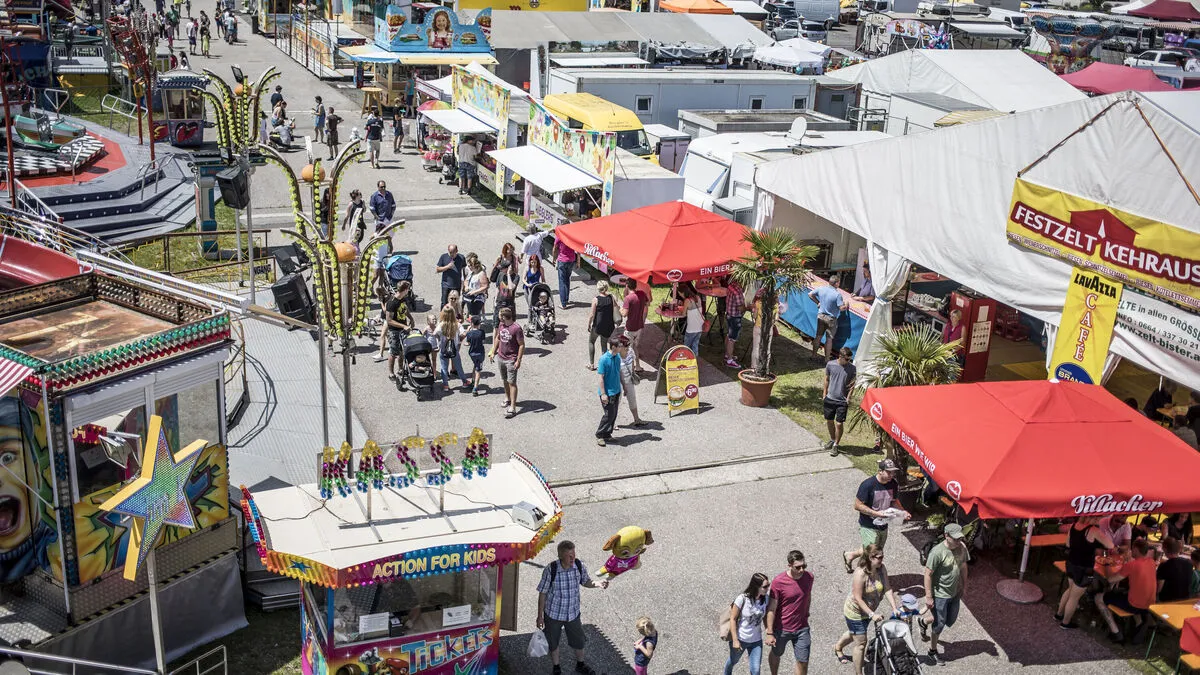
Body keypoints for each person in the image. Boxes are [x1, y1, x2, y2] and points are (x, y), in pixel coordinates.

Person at [535, 540, 608, 675]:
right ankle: (556, 668)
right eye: (569, 556)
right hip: (553, 614)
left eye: (574, 554)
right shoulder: (551, 570)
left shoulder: (578, 565)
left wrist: (598, 584)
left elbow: (586, 581)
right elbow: (543, 593)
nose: (573, 558)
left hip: (573, 614)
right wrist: (540, 616)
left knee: (579, 640)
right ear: (561, 556)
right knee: (553, 642)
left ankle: (580, 665)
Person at [834, 544, 899, 674]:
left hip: (868, 612)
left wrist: (894, 608)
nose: (881, 560)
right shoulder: (860, 573)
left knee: (856, 633)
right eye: (879, 557)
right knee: (861, 643)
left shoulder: (881, 568)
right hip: (855, 612)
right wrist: (872, 614)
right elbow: (858, 598)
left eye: (882, 556)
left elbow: (887, 588)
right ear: (870, 557)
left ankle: (837, 647)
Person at [844, 459, 908, 571]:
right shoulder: (867, 485)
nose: (891, 475)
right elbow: (857, 505)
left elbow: (894, 500)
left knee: (874, 548)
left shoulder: (893, 484)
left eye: (893, 472)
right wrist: (877, 514)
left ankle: (850, 555)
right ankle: (865, 577)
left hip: (884, 524)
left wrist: (903, 512)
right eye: (889, 472)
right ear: (880, 471)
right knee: (873, 554)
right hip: (868, 525)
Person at [919, 524, 969, 665]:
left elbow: (964, 566)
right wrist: (929, 596)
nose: (959, 541)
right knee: (940, 624)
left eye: (960, 538)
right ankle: (932, 652)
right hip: (940, 594)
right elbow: (928, 574)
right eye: (956, 538)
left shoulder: (962, 547)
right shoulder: (937, 552)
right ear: (947, 535)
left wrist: (965, 586)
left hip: (955, 592)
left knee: (949, 620)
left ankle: (923, 621)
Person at [1055, 517, 1114, 629]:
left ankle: (1059, 614)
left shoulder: (1073, 525)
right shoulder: (1093, 530)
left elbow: (1068, 544)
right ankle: (1065, 623)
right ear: (1093, 517)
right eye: (1099, 517)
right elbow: (1110, 545)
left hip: (1071, 563)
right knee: (1074, 597)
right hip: (1084, 568)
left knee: (1070, 589)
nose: (1101, 519)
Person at [1095, 538, 1156, 643]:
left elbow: (1110, 579)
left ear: (1136, 549)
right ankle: (1139, 622)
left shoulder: (1132, 565)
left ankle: (1116, 632)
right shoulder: (1151, 562)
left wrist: (1107, 563)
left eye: (1132, 549)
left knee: (1098, 598)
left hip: (1134, 604)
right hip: (1150, 603)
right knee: (1123, 592)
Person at [765, 550, 814, 675]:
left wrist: (806, 613)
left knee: (803, 660)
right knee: (777, 653)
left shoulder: (809, 577)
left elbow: (807, 596)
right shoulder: (779, 582)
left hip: (802, 628)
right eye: (798, 567)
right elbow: (771, 608)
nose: (802, 570)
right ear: (790, 566)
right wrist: (769, 632)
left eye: (804, 566)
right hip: (782, 629)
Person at [725, 572, 770, 675]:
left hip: (756, 641)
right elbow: (733, 619)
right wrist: (735, 640)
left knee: (756, 670)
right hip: (741, 639)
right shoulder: (742, 599)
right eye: (765, 586)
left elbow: (765, 616)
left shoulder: (766, 599)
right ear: (756, 586)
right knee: (733, 661)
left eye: (768, 585)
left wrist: (768, 630)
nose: (768, 588)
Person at [489, 308, 524, 419]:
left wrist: (518, 360)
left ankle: (513, 407)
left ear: (504, 317)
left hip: (511, 359)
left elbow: (522, 345)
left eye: (500, 315)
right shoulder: (501, 325)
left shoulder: (516, 328)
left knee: (512, 382)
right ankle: (507, 398)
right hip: (501, 357)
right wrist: (493, 351)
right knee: (504, 380)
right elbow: (498, 338)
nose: (498, 317)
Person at [823, 347, 856, 457]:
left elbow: (852, 384)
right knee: (829, 421)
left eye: (850, 359)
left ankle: (836, 445)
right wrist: (824, 394)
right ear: (840, 357)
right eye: (847, 359)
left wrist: (848, 398)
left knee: (839, 423)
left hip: (842, 401)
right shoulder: (830, 365)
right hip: (830, 398)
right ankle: (832, 439)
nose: (848, 362)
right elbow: (826, 379)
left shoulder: (852, 368)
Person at [808, 275, 846, 361]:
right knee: (829, 339)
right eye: (839, 282)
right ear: (836, 283)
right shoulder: (837, 295)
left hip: (821, 316)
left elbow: (810, 294)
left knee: (818, 337)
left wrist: (818, 302)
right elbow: (841, 308)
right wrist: (846, 306)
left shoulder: (821, 289)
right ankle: (826, 359)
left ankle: (814, 355)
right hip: (831, 319)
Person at [434, 308, 470, 391]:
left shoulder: (441, 325)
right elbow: (463, 334)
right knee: (458, 367)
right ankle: (464, 382)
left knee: (444, 368)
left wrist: (439, 340)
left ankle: (446, 385)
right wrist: (467, 331)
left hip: (443, 349)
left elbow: (435, 333)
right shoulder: (457, 324)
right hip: (454, 350)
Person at [596, 340, 623, 447]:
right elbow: (601, 378)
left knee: (614, 414)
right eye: (619, 346)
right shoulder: (604, 359)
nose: (621, 348)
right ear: (613, 346)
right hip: (608, 393)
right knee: (609, 415)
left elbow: (618, 372)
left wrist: (623, 386)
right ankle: (600, 435)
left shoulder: (617, 357)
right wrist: (603, 394)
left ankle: (607, 434)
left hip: (616, 391)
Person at [620, 277, 650, 371]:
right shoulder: (641, 294)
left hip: (630, 327)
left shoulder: (628, 299)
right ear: (636, 285)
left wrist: (620, 309)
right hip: (639, 325)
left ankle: (631, 368)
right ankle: (637, 366)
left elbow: (624, 314)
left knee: (627, 348)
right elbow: (647, 303)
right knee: (634, 347)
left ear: (627, 286)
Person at [587, 280, 618, 370]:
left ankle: (591, 364)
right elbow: (616, 307)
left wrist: (589, 324)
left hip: (598, 326)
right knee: (604, 345)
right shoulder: (611, 297)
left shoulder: (596, 299)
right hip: (608, 326)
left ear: (598, 289)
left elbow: (592, 315)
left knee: (591, 341)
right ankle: (604, 366)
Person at [385, 282, 413, 380]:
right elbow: (389, 320)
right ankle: (391, 373)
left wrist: (411, 318)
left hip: (403, 330)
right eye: (408, 289)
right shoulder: (392, 302)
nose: (408, 291)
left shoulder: (403, 299)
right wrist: (403, 326)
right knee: (393, 352)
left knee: (402, 351)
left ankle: (401, 369)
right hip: (394, 331)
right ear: (405, 290)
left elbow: (405, 309)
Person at [615, 335, 644, 427]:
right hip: (618, 382)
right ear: (620, 347)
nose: (628, 348)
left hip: (629, 379)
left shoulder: (630, 351)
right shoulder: (615, 356)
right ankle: (612, 423)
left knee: (632, 399)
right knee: (616, 402)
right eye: (626, 346)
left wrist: (632, 375)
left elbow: (632, 362)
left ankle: (636, 419)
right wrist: (623, 386)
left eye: (628, 345)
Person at [1157, 536, 1193, 602]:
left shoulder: (1164, 565)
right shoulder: (1189, 563)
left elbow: (1159, 589)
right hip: (1185, 598)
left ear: (1165, 549)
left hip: (1168, 600)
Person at [436, 244, 466, 309]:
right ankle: (443, 317)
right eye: (450, 252)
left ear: (457, 251)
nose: (451, 254)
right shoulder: (443, 257)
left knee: (456, 303)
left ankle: (454, 317)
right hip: (446, 284)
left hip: (457, 284)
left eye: (453, 252)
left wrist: (464, 284)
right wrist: (447, 266)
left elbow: (464, 271)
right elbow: (438, 269)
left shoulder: (461, 258)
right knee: (444, 302)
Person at [725, 277, 746, 369]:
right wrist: (749, 307)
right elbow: (740, 308)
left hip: (729, 314)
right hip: (735, 317)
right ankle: (729, 360)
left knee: (728, 335)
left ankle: (727, 354)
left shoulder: (731, 286)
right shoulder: (738, 293)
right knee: (732, 339)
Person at [552, 236, 578, 308]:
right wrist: (578, 262)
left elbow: (555, 248)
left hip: (562, 261)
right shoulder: (572, 236)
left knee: (562, 281)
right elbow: (578, 249)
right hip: (571, 260)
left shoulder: (559, 236)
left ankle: (563, 304)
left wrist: (554, 259)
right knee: (567, 279)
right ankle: (566, 299)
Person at [464, 315, 486, 396]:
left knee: (475, 365)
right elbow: (483, 341)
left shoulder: (469, 334)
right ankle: (475, 388)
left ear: (472, 324)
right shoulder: (482, 332)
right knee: (478, 371)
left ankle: (473, 381)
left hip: (472, 353)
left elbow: (468, 343)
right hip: (480, 353)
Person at [683, 286, 704, 356]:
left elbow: (683, 314)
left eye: (680, 294)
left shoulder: (687, 301)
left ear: (683, 293)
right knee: (695, 346)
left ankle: (687, 363)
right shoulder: (697, 297)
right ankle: (694, 362)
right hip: (700, 326)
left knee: (686, 347)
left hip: (691, 328)